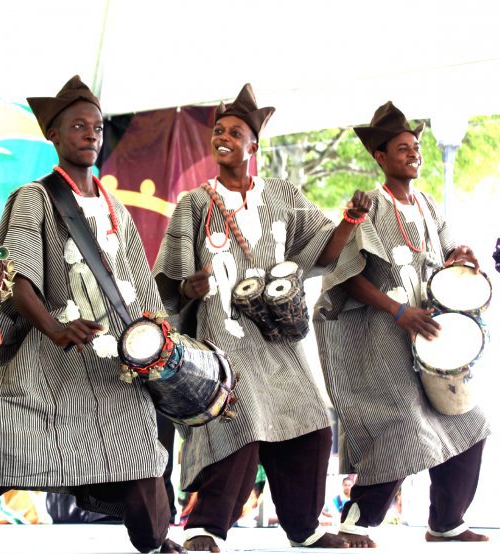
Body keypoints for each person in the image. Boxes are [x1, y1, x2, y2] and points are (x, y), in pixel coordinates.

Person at [0, 76, 185, 554]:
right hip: (49, 359)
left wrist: (158, 340)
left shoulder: (115, 206)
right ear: (53, 136)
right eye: (78, 126)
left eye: (96, 127)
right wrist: (53, 327)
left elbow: (139, 282)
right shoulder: (35, 197)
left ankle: (155, 543)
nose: (90, 134)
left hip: (113, 362)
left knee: (138, 450)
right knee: (4, 451)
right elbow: (15, 275)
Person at [152, 82, 371, 551]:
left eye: (235, 131)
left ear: (254, 144)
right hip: (224, 338)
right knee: (243, 417)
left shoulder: (280, 195)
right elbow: (168, 281)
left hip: (279, 337)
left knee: (311, 420)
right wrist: (190, 286)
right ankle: (205, 527)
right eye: (218, 130)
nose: (223, 137)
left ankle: (305, 528)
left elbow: (323, 252)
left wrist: (349, 221)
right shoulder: (195, 203)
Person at [313, 101, 491, 547]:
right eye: (402, 148)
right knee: (404, 430)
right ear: (381, 156)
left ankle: (446, 522)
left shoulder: (428, 206)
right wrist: (398, 312)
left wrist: (461, 257)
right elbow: (345, 277)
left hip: (431, 339)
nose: (413, 154)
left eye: (416, 147)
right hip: (385, 341)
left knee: (470, 423)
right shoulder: (369, 207)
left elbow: (450, 253)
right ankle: (356, 522)